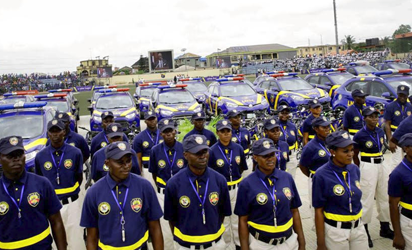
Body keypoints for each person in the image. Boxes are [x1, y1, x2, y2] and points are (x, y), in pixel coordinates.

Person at [80, 141, 164, 249]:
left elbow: (155, 227)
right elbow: (91, 236)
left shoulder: (144, 186)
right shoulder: (94, 193)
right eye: (120, 162)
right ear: (107, 163)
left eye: (128, 161)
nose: (126, 166)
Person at [235, 138, 305, 249]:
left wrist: (302, 243)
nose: (270, 159)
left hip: (289, 243)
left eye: (272, 155)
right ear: (255, 158)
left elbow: (295, 211)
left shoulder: (287, 178)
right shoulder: (246, 184)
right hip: (261, 244)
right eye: (265, 156)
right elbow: (243, 220)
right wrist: (244, 247)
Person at [164, 135, 231, 250]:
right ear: (186, 155)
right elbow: (172, 218)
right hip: (186, 246)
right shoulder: (174, 184)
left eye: (205, 151)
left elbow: (222, 213)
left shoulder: (219, 180)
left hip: (215, 245)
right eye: (197, 153)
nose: (203, 156)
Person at [0, 136, 67, 249]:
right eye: (10, 156)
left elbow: (56, 222)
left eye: (19, 154)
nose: (16, 159)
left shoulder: (41, 183)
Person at [312, 130, 368, 250]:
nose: (350, 154)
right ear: (332, 152)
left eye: (352, 150)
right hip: (336, 233)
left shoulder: (354, 169)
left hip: (358, 229)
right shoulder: (321, 175)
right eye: (345, 151)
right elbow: (318, 210)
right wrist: (320, 243)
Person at [34, 119, 84, 250]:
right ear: (48, 134)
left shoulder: (75, 152)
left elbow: (79, 177)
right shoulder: (40, 156)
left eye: (58, 131)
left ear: (64, 132)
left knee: (75, 239)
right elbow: (39, 181)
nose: (55, 134)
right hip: (51, 206)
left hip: (72, 203)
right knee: (56, 241)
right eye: (52, 131)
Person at [353, 106, 393, 247]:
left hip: (381, 163)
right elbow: (355, 154)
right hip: (367, 165)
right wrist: (359, 168)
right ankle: (364, 230)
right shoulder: (360, 135)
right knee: (367, 198)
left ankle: (385, 226)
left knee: (384, 196)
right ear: (364, 118)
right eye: (371, 116)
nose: (375, 119)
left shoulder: (380, 131)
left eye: (376, 116)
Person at [209, 119, 248, 248]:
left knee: (238, 218)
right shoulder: (212, 151)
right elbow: (210, 172)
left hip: (237, 187)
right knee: (223, 220)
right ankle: (225, 245)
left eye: (228, 131)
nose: (226, 134)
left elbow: (241, 167)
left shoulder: (238, 148)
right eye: (222, 131)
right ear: (217, 133)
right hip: (221, 189)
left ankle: (238, 245)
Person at [149, 118, 185, 248]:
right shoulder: (155, 150)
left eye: (170, 130)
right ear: (161, 133)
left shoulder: (183, 148)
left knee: (182, 221)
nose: (169, 134)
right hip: (163, 193)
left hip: (182, 192)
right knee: (165, 224)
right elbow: (154, 173)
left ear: (175, 131)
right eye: (165, 131)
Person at [389, 133, 412, 250]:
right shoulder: (398, 174)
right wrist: (397, 235)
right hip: (409, 223)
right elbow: (393, 205)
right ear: (406, 148)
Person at [384, 85, 412, 170]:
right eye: (400, 95)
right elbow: (387, 124)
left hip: (409, 135)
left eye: (404, 95)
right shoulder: (391, 106)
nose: (402, 97)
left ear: (407, 95)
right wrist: (390, 140)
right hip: (395, 135)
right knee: (396, 161)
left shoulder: (410, 106)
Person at [133, 111, 163, 182]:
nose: (152, 121)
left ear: (156, 119)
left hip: (163, 168)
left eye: (153, 119)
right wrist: (140, 174)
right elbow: (138, 158)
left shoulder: (163, 134)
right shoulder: (139, 137)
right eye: (149, 119)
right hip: (147, 170)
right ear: (145, 121)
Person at [277, 105, 299, 178]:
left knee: (290, 178)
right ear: (278, 114)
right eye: (282, 113)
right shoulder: (274, 126)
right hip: (278, 154)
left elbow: (296, 139)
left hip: (291, 154)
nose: (284, 115)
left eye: (286, 113)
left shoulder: (292, 126)